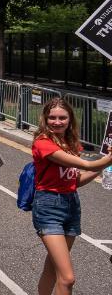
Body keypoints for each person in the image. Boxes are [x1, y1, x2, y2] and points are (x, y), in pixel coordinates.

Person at [31, 98, 112, 295]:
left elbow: (76, 181)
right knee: (67, 279)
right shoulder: (43, 143)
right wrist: (106, 160)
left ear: (70, 119)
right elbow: (87, 165)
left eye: (62, 117)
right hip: (49, 206)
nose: (57, 122)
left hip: (71, 204)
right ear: (45, 119)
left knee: (52, 266)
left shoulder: (70, 143)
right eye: (52, 117)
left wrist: (105, 167)